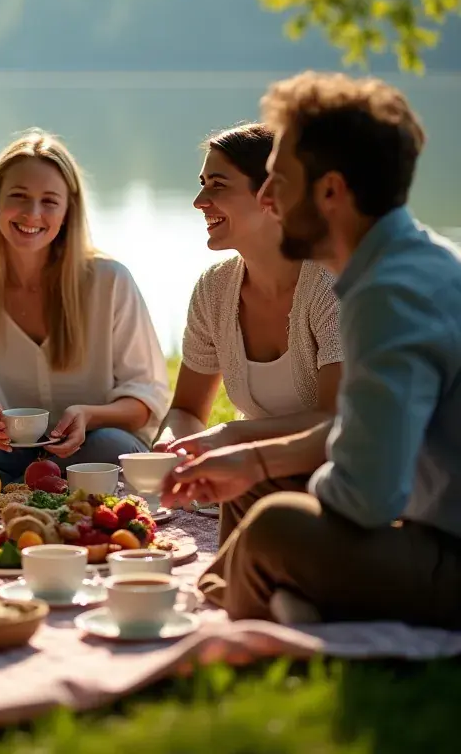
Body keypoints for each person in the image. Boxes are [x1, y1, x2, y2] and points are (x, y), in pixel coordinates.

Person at [165, 72, 461, 628]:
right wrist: (254, 461)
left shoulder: (391, 295)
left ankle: (255, 622)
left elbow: (364, 497)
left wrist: (278, 477)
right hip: (429, 528)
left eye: (279, 181)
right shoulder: (408, 264)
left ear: (330, 191)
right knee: (262, 481)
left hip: (448, 553)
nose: (268, 199)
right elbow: (363, 428)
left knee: (278, 524)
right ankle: (261, 598)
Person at [0, 130, 169, 491]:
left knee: (114, 447)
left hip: (88, 449)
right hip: (1, 452)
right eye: (19, 197)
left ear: (68, 209)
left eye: (49, 201)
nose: (32, 213)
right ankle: (27, 491)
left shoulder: (111, 281)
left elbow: (144, 397)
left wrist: (88, 417)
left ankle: (8, 492)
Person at [152, 123, 342, 540]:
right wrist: (169, 450)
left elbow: (336, 419)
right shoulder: (215, 288)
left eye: (217, 185)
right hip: (247, 479)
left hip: (332, 483)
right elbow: (186, 410)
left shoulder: (331, 286)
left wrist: (232, 435)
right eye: (202, 184)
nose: (199, 201)